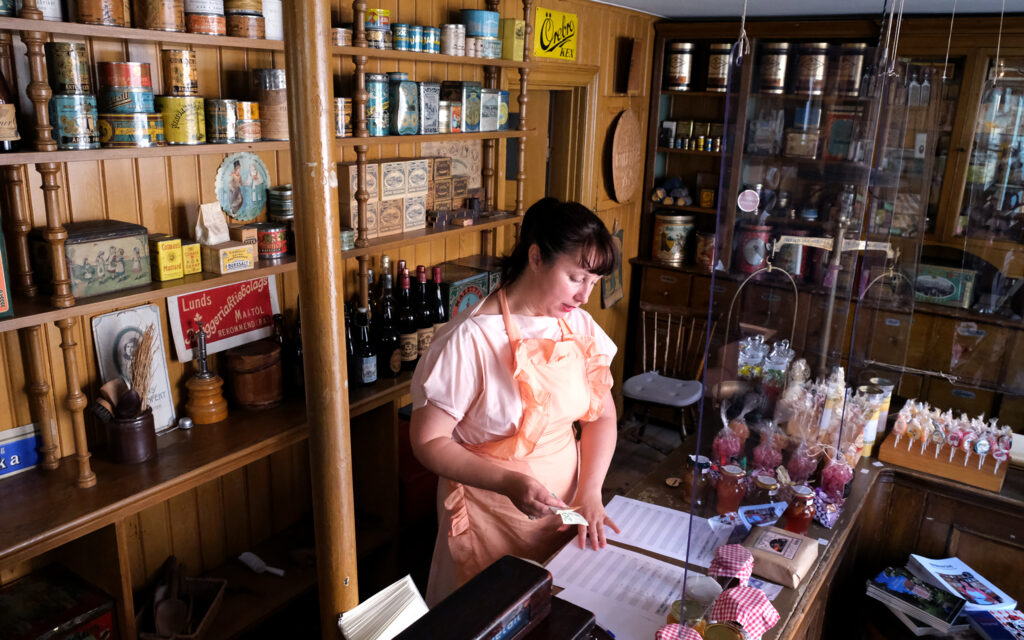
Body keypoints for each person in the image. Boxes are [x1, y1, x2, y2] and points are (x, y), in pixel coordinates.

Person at [410, 198, 622, 605]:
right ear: (536, 257)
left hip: (567, 510)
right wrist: (509, 482)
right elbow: (428, 441)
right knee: (490, 614)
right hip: (493, 520)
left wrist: (589, 493)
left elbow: (601, 416)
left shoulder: (577, 325)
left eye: (593, 283)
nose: (584, 296)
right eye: (576, 278)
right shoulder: (471, 339)